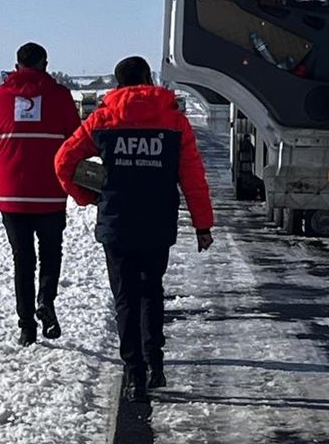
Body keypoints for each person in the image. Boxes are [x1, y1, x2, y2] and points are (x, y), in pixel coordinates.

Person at [54, 56, 214, 402]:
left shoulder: (103, 119)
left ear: (118, 83)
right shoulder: (174, 122)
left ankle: (133, 375)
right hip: (158, 224)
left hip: (118, 224)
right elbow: (193, 178)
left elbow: (63, 161)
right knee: (151, 292)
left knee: (125, 298)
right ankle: (156, 363)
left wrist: (85, 195)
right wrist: (203, 225)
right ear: (147, 78)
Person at [0, 43, 80, 347]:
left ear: (16, 66)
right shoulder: (60, 96)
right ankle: (46, 302)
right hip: (51, 193)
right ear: (45, 64)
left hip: (13, 196)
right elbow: (77, 137)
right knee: (51, 254)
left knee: (22, 261)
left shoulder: (0, 96)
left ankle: (26, 327)